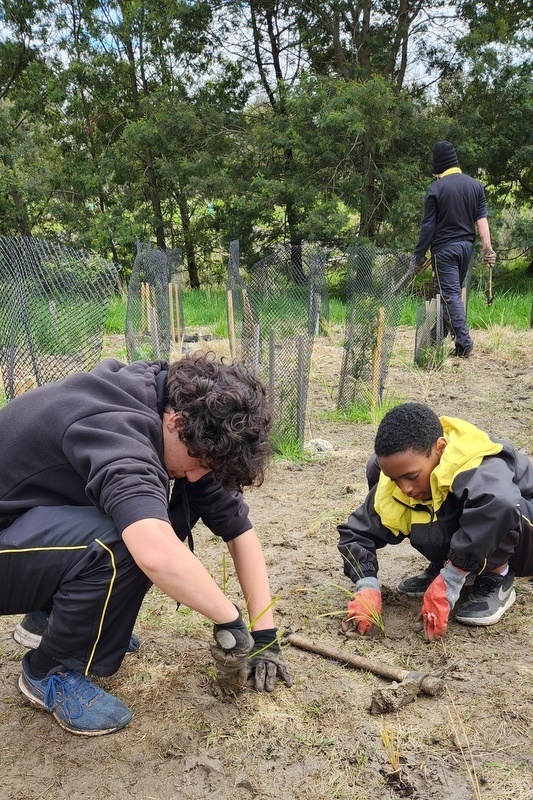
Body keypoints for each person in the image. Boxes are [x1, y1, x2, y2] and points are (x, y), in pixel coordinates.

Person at [0, 353, 292, 736]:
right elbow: (155, 552)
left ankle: (48, 620)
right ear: (176, 422)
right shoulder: (118, 432)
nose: (197, 475)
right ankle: (48, 670)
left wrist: (265, 636)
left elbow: (240, 532)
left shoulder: (173, 413)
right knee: (128, 537)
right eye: (199, 463)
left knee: (142, 520)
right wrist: (229, 619)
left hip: (19, 528)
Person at [338, 402, 533, 641]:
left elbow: (500, 504)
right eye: (395, 478)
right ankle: (451, 565)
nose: (405, 488)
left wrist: (450, 580)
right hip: (478, 530)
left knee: (494, 504)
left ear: (440, 448)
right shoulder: (400, 475)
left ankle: (496, 576)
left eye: (411, 477)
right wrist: (366, 585)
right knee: (408, 499)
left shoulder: (475, 461)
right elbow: (356, 533)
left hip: (524, 539)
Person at [410, 140, 496, 358]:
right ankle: (437, 337)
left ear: (438, 167)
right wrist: (488, 250)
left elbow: (428, 226)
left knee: (449, 295)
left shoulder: (436, 188)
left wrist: (417, 256)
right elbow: (482, 221)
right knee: (449, 293)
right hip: (466, 248)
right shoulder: (475, 185)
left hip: (445, 250)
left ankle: (464, 343)